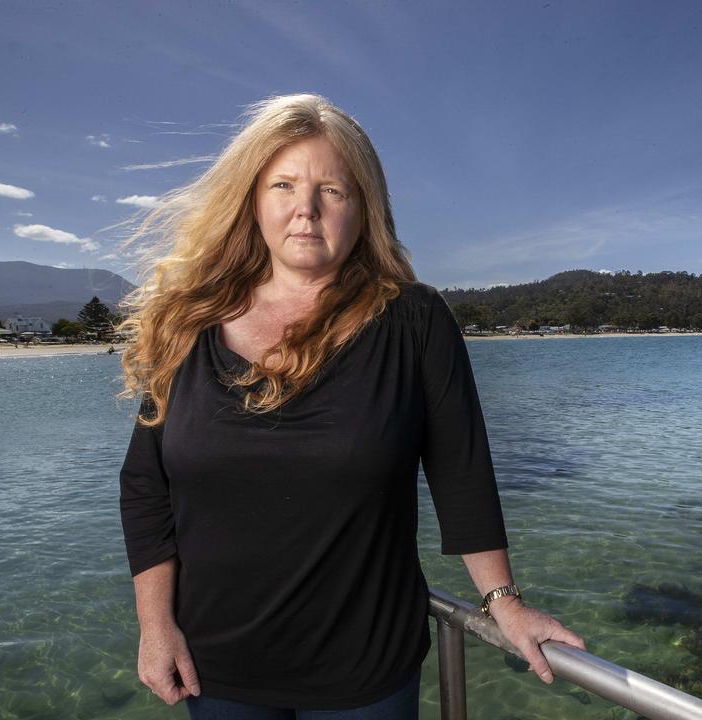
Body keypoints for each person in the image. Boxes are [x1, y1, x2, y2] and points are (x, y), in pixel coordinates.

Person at [116, 93, 584, 719]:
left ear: (364, 209)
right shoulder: (190, 324)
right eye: (283, 185)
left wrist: (504, 600)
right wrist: (155, 626)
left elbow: (461, 474)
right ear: (252, 199)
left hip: (365, 674)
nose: (305, 209)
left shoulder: (414, 321)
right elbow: (146, 484)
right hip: (216, 668)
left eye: (332, 190)